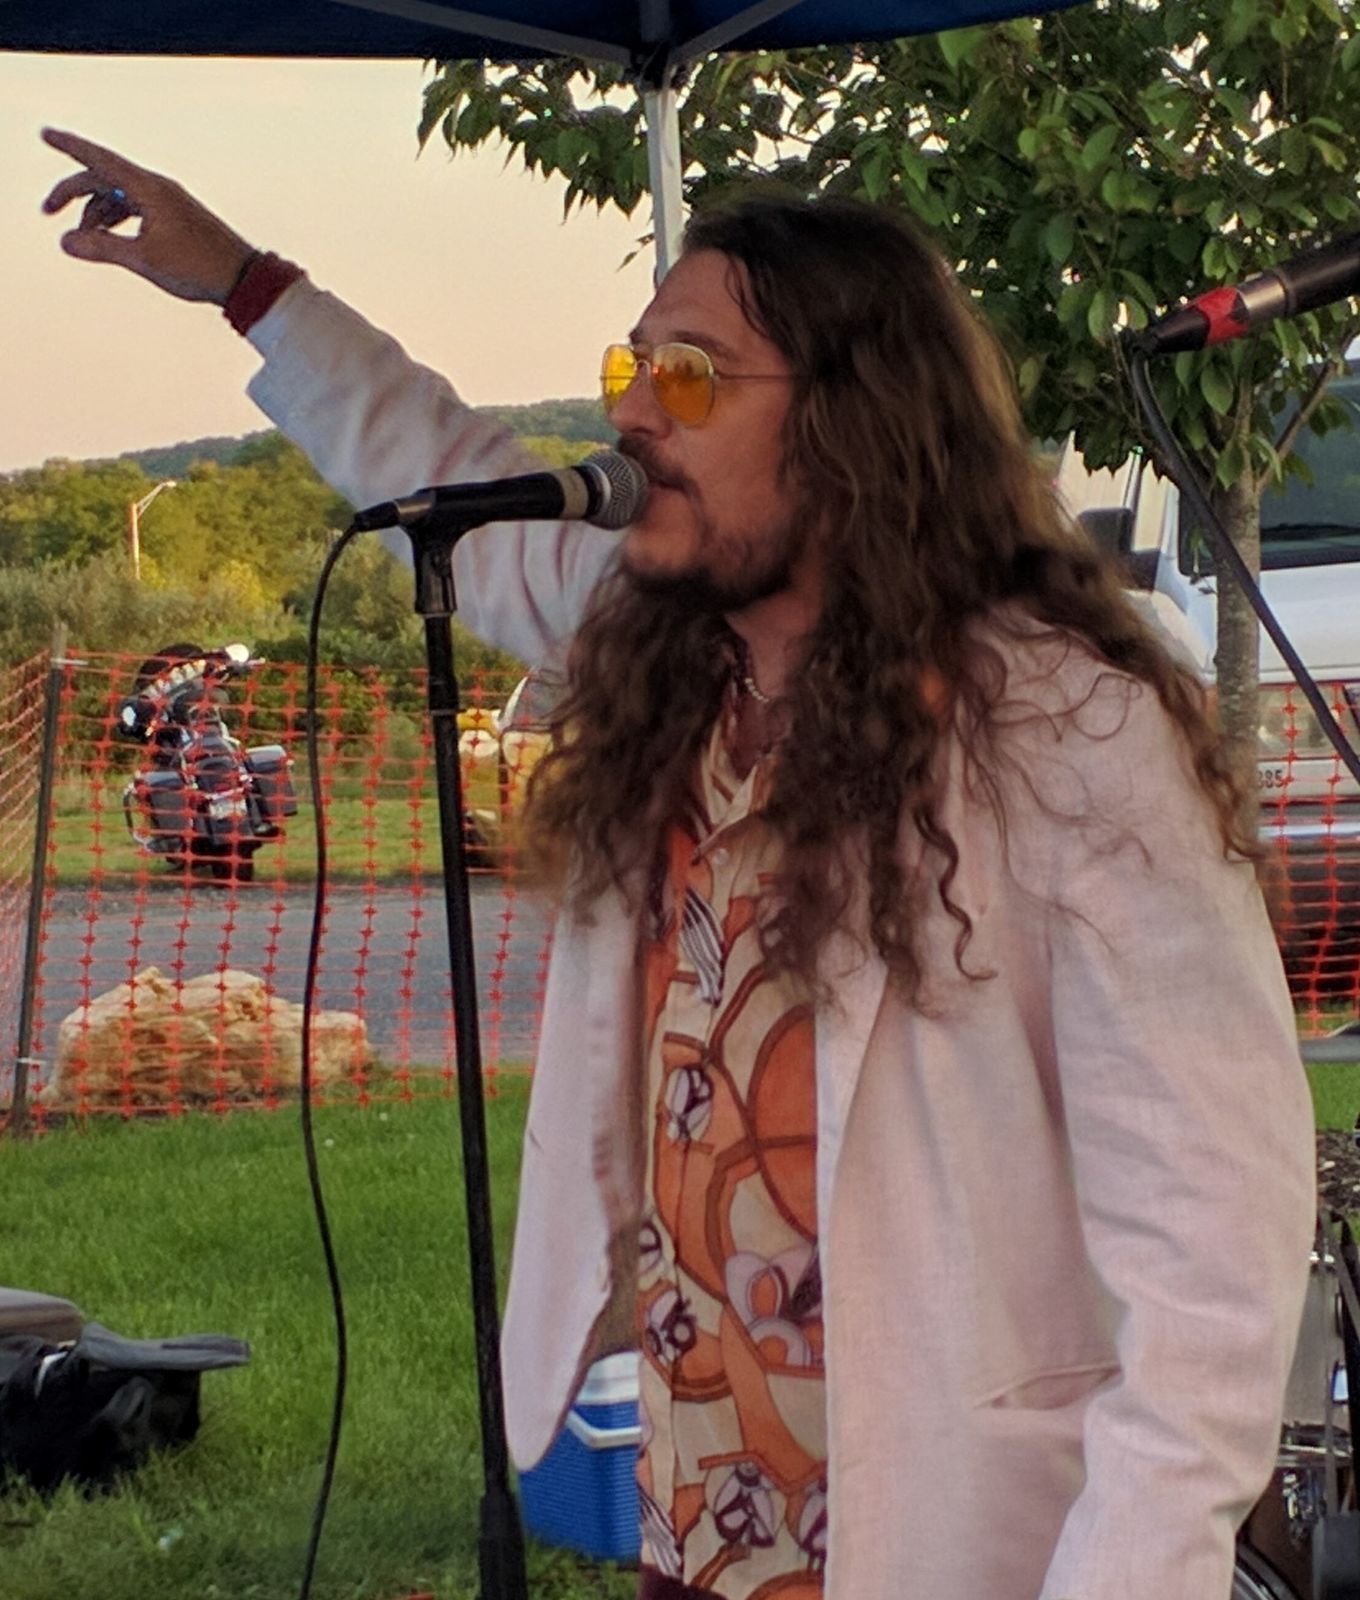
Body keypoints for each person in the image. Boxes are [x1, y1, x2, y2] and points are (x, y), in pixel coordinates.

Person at [41, 127, 1317, 1600]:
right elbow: (439, 459)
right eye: (630, 365)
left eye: (693, 376)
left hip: (953, 1531)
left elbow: (1213, 1245)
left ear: (855, 426)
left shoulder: (1065, 727)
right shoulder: (667, 654)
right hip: (702, 1514)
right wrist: (245, 283)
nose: (634, 412)